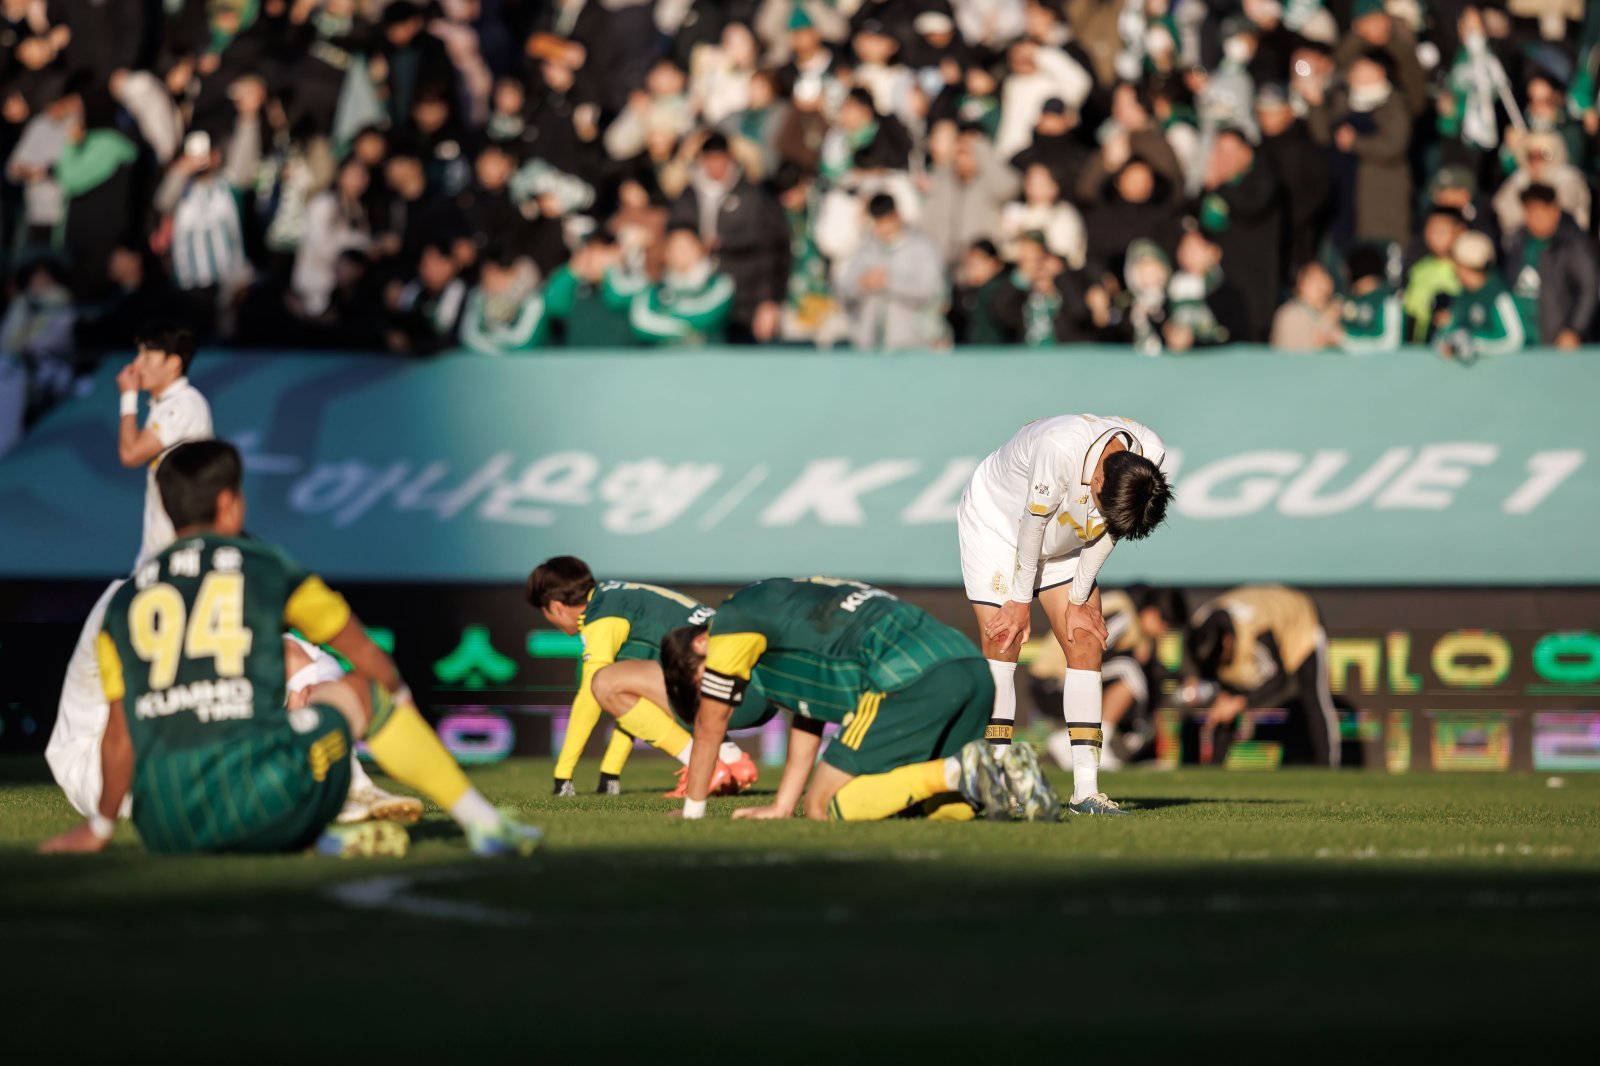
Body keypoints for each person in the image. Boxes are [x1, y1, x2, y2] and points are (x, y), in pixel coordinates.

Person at [39, 440, 543, 858]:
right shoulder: (265, 568)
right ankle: (483, 822)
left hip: (165, 824)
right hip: (252, 793)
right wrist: (399, 704)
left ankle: (322, 839)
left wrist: (99, 829)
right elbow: (365, 653)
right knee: (362, 692)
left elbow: (120, 737)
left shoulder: (125, 601)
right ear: (230, 503)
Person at [659, 577, 1056, 823]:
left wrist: (693, 812)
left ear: (701, 643)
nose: (718, 687)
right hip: (968, 666)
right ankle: (1003, 774)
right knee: (940, 810)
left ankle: (961, 771)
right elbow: (807, 712)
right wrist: (782, 805)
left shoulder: (731, 623)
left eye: (702, 679)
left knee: (824, 805)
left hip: (907, 677)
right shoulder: (784, 607)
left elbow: (710, 724)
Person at [957, 414, 1172, 814]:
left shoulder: (1151, 454)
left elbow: (1111, 530)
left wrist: (1077, 598)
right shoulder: (1059, 447)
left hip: (1069, 533)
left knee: (1085, 639)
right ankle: (996, 783)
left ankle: (1085, 792)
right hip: (1000, 526)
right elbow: (1031, 525)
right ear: (1098, 480)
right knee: (1003, 639)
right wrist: (1020, 601)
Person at [524, 556, 758, 798]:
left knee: (601, 684)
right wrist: (610, 773)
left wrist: (563, 774)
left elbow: (591, 697)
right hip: (753, 688)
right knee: (625, 686)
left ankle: (705, 766)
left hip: (730, 694)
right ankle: (733, 760)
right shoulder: (619, 599)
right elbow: (633, 707)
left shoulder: (603, 616)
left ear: (556, 607)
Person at [1186, 584, 1340, 767]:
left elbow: (1278, 680)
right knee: (1225, 702)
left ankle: (1327, 763)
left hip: (1299, 619)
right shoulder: (1199, 628)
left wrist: (1239, 702)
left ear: (1227, 641)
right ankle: (1215, 767)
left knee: (1312, 693)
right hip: (1257, 621)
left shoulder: (1256, 631)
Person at [1037, 584, 1187, 771]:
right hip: (1052, 682)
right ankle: (1095, 745)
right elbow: (1088, 650)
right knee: (1129, 669)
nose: (1163, 632)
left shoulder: (1136, 628)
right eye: (1165, 625)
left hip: (1067, 681)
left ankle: (1070, 743)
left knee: (1132, 672)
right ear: (1152, 613)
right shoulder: (1123, 614)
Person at [835, 193, 947, 350]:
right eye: (878, 222)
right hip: (868, 343)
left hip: (912, 343)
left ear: (897, 216)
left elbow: (930, 289)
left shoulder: (923, 246)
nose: (883, 228)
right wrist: (862, 283)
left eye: (887, 220)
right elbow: (844, 289)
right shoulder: (865, 248)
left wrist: (889, 281)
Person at [1503, 184, 1599, 349]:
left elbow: (1589, 289)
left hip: (1557, 339)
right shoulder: (1518, 241)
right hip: (1523, 338)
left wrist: (1574, 330)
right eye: (1529, 211)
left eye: (1538, 211)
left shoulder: (1574, 244)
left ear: (1554, 211)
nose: (1533, 218)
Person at [624, 226, 736, 345]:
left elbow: (707, 318)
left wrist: (664, 316)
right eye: (675, 247)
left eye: (687, 246)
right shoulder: (654, 288)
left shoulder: (720, 284)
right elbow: (641, 323)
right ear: (666, 254)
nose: (681, 252)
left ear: (700, 249)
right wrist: (688, 332)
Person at [1437, 230, 1525, 360]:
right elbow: (1447, 334)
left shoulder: (1499, 295)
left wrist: (1473, 342)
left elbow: (1514, 340)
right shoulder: (1462, 295)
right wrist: (1449, 340)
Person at [1340, 246, 1404, 354]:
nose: (1344, 273)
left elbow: (1391, 342)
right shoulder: (1344, 301)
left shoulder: (1390, 301)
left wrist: (1345, 339)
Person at [1269, 260, 1342, 351]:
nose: (1322, 288)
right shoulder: (1290, 314)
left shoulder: (1325, 313)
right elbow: (1295, 352)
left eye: (1324, 281)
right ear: (1301, 285)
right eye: (1315, 282)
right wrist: (1327, 320)